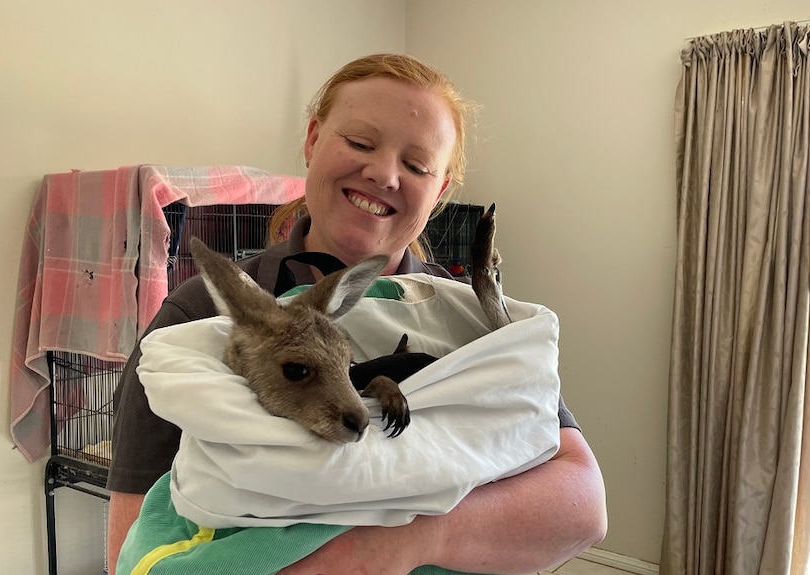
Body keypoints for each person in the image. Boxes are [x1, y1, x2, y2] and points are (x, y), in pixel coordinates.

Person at [107, 53, 607, 574]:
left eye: (416, 165)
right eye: (361, 143)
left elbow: (581, 505)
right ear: (312, 139)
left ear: (440, 190)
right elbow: (138, 540)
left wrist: (396, 545)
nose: (383, 173)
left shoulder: (462, 313)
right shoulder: (204, 311)